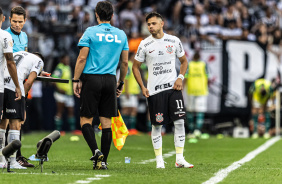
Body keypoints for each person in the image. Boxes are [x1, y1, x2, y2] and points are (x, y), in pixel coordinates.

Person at [132, 12, 194, 169]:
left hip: (173, 88)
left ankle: (179, 158)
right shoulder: (144, 44)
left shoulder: (173, 41)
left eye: (153, 23)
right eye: (148, 24)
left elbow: (184, 62)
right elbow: (135, 67)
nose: (150, 26)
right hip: (154, 91)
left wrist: (180, 77)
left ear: (162, 23)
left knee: (179, 122)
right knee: (157, 126)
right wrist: (143, 87)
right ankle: (159, 160)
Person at [73, 1, 128, 170]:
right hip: (110, 79)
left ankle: (96, 151)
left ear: (96, 14)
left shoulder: (90, 31)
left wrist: (76, 79)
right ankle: (103, 162)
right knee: (106, 123)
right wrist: (121, 82)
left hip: (92, 79)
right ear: (112, 16)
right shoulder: (121, 34)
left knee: (85, 120)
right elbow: (125, 62)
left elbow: (82, 58)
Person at [0, 51, 44, 169]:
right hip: (13, 87)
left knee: (2, 123)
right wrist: (22, 100)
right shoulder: (39, 61)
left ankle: (1, 160)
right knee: (15, 125)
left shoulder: (20, 53)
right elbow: (29, 82)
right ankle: (13, 161)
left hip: (1, 85)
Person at [5, 6, 34, 168]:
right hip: (5, 82)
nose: (17, 24)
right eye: (14, 21)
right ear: (9, 20)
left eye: (20, 22)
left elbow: (27, 57)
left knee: (18, 120)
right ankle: (12, 157)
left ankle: (16, 157)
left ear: (25, 21)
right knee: (9, 120)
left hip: (19, 83)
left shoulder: (24, 36)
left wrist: (38, 71)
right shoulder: (4, 35)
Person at [0, 6, 22, 169]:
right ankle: (4, 160)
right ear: (3, 18)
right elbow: (10, 61)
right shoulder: (5, 36)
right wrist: (17, 85)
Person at [184, 51, 209, 138]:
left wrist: (183, 87)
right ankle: (195, 130)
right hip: (200, 90)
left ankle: (193, 131)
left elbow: (185, 77)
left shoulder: (191, 64)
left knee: (192, 111)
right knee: (198, 111)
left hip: (192, 90)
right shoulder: (202, 64)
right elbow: (207, 76)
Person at [52, 54, 78, 134]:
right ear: (62, 60)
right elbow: (53, 79)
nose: (67, 61)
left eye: (68, 59)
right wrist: (59, 89)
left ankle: (73, 130)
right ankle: (58, 130)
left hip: (69, 93)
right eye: (66, 59)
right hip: (60, 94)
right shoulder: (60, 68)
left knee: (71, 111)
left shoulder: (68, 67)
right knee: (60, 111)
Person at [120, 52, 140, 135]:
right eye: (135, 56)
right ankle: (122, 128)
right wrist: (127, 90)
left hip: (134, 92)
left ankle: (131, 129)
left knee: (133, 110)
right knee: (126, 109)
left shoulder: (135, 66)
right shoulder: (128, 65)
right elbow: (126, 79)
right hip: (127, 92)